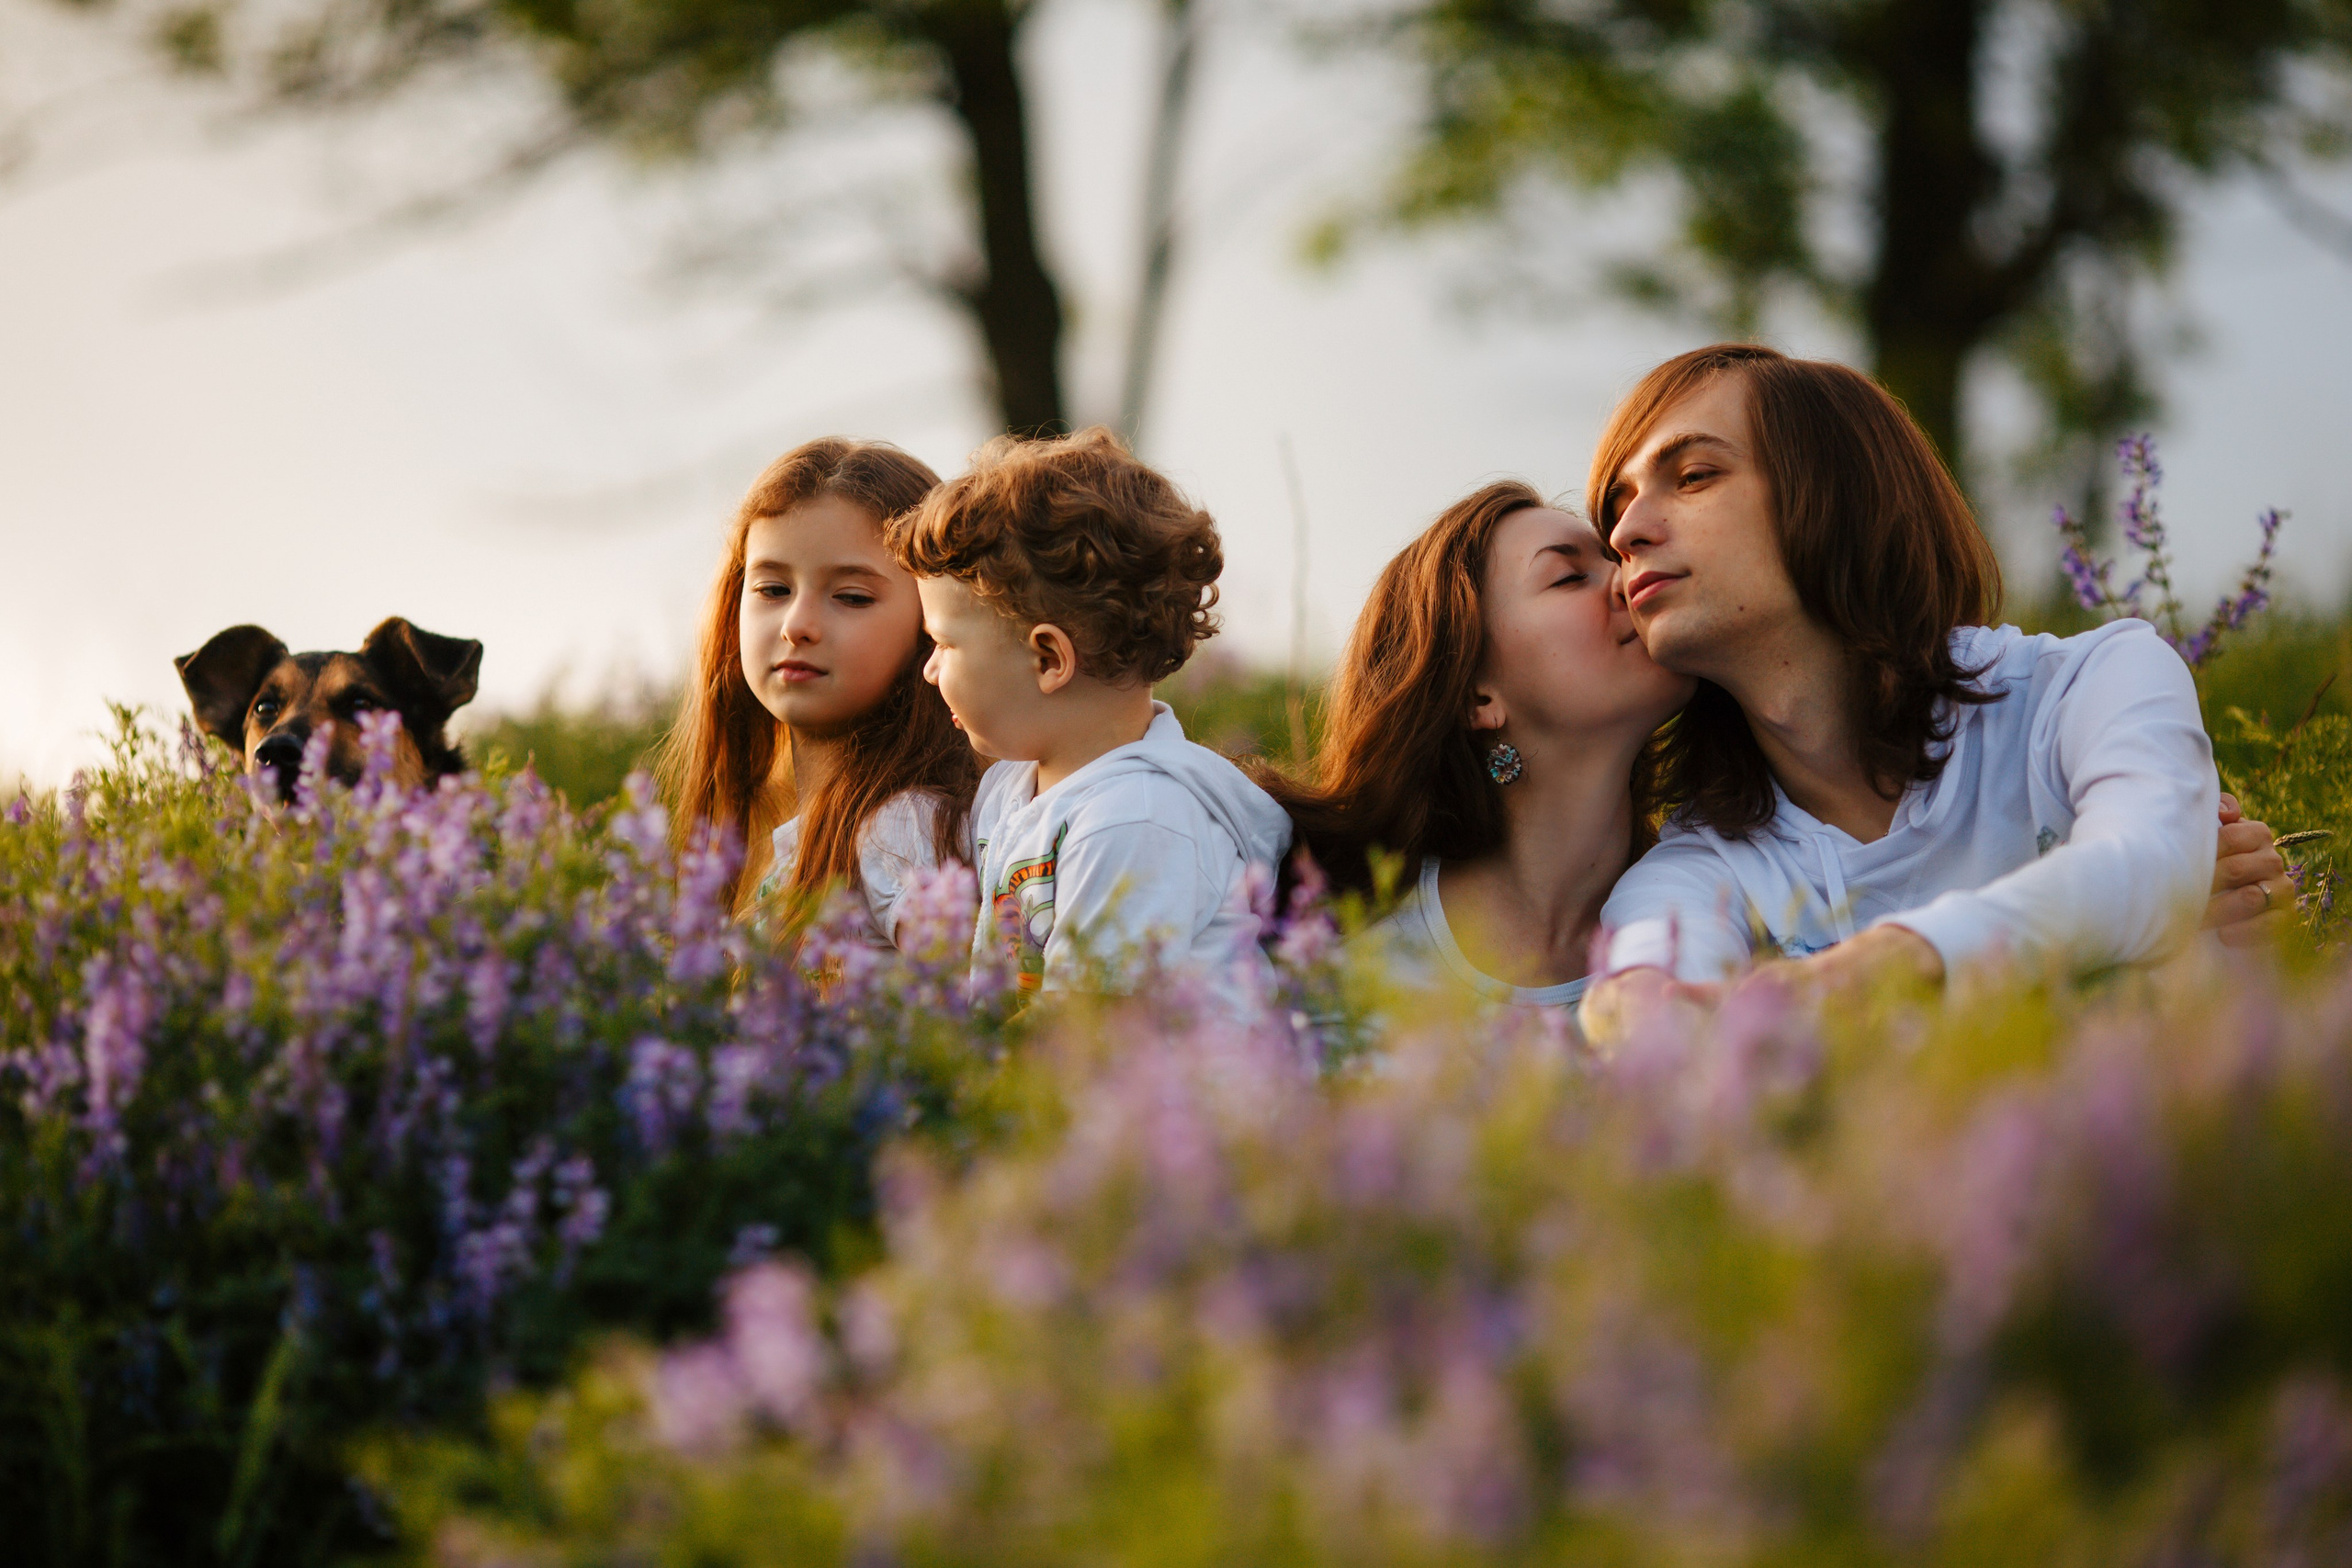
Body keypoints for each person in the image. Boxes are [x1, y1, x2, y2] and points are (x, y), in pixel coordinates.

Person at [1579, 344, 2284, 1035]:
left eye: (1694, 475)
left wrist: (1871, 972)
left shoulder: (2091, 684)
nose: (1626, 532)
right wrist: (2102, 937)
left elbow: (2148, 861)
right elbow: (1655, 1018)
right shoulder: (1696, 865)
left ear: (1838, 495)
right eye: (1619, 505)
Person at [890, 427, 1292, 995]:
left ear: (1049, 658)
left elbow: (1091, 1020)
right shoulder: (1013, 788)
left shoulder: (1137, 819)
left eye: (944, 644)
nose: (929, 670)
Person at [1264, 482, 1691, 1012]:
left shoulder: (1729, 917)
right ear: (1475, 695)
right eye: (1568, 577)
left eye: (1616, 560)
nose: (1631, 580)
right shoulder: (1345, 968)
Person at [658, 437, 979, 949]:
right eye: (773, 589)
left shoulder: (903, 832)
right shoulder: (788, 831)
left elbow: (956, 994)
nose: (797, 625)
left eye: (851, 597)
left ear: (931, 624)